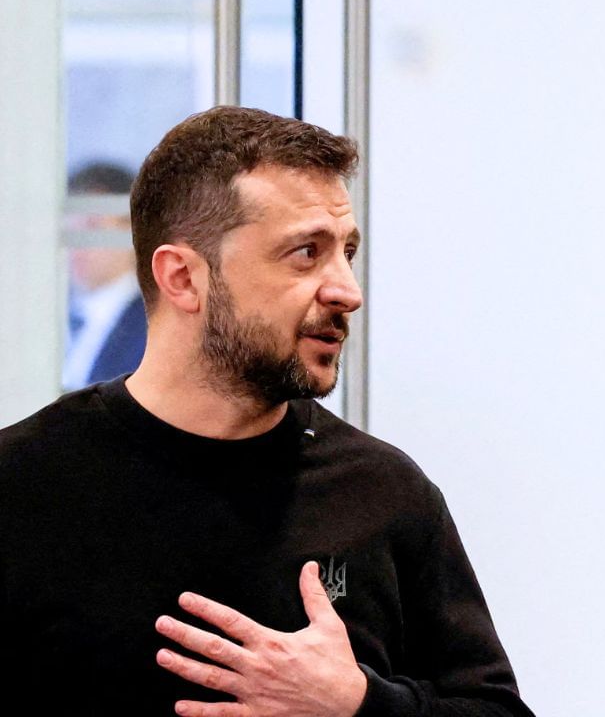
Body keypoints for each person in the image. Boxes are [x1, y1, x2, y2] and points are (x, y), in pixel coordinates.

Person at [0, 106, 534, 716]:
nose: (347, 290)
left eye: (347, 253)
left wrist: (358, 704)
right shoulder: (23, 487)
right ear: (183, 278)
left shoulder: (383, 494)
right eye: (306, 253)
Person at [63, 161, 148, 391]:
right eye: (69, 227)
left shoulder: (153, 327)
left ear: (131, 229)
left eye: (92, 225)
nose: (77, 243)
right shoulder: (46, 318)